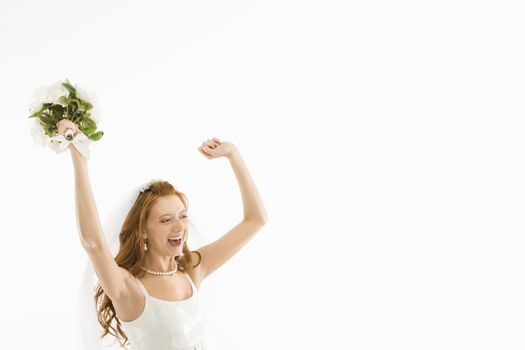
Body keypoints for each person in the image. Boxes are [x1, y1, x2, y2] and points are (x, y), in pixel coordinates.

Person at [57, 119, 269, 349]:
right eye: (166, 220)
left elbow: (256, 220)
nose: (179, 227)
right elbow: (93, 242)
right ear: (143, 232)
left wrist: (233, 155)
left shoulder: (192, 270)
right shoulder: (129, 288)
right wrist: (78, 157)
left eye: (183, 216)